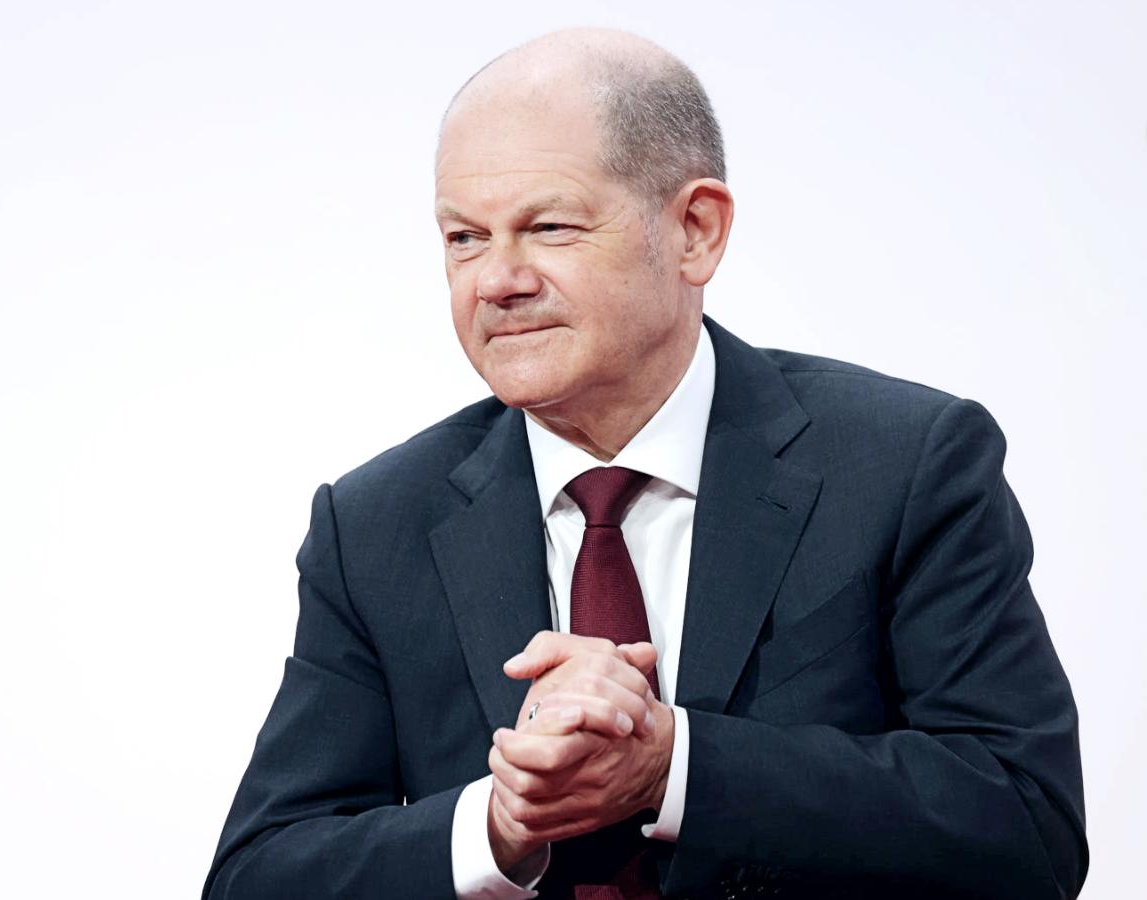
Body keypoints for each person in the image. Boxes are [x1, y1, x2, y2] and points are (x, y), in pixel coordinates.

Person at [202, 28, 1087, 900]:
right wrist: (497, 827)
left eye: (548, 227)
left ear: (696, 230)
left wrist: (678, 768)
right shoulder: (374, 526)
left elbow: (1027, 827)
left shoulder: (903, 464)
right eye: (464, 238)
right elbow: (258, 875)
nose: (496, 280)